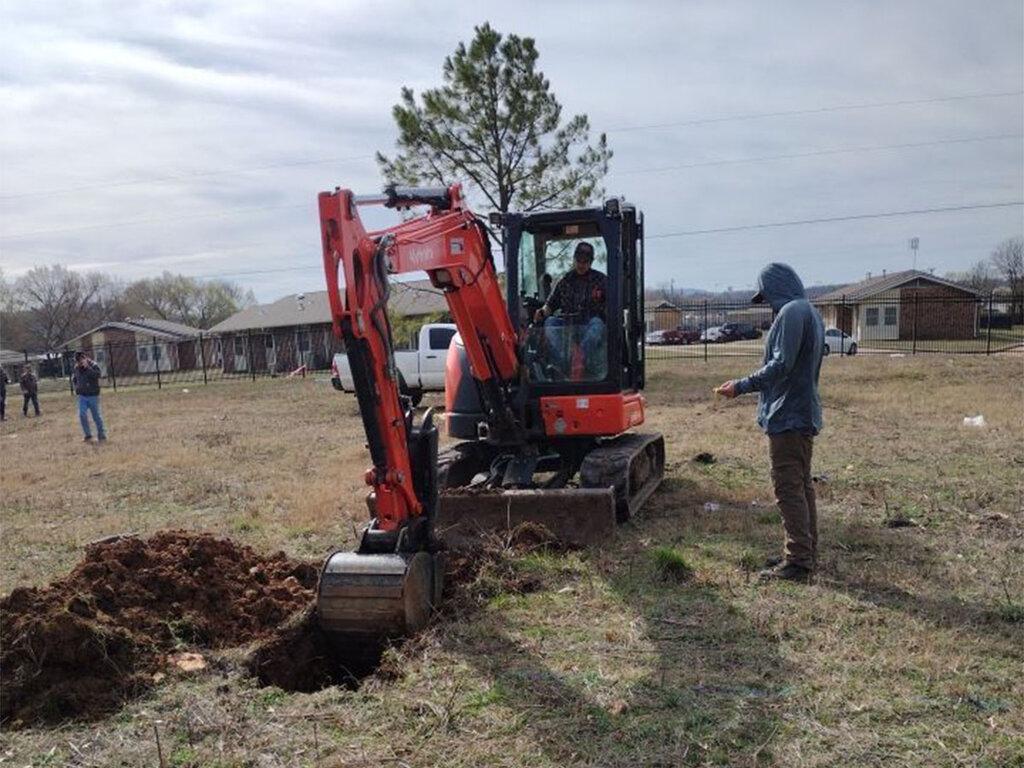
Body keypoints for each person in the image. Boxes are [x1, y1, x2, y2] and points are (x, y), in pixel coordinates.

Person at [715, 263, 824, 583]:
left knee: (788, 488)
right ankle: (804, 552)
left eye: (768, 296)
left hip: (789, 416)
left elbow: (781, 365)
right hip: (800, 414)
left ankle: (799, 562)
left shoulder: (792, 312)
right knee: (801, 486)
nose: (769, 304)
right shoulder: (809, 312)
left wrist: (741, 385)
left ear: (778, 286)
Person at [533, 242, 607, 378]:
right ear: (574, 259)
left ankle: (579, 357)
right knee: (550, 322)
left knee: (597, 324)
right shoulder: (565, 281)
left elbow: (611, 305)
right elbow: (550, 304)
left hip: (588, 325)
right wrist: (542, 312)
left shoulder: (601, 281)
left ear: (591, 262)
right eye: (579, 260)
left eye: (586, 261)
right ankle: (563, 363)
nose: (582, 264)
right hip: (567, 327)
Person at [72, 351, 107, 442]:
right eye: (77, 361)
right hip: (82, 396)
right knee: (82, 414)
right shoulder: (76, 368)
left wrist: (87, 368)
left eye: (80, 360)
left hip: (93, 395)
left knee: (96, 416)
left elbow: (97, 375)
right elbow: (75, 379)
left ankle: (101, 435)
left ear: (85, 358)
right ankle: (88, 435)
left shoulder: (93, 365)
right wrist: (77, 387)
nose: (79, 363)